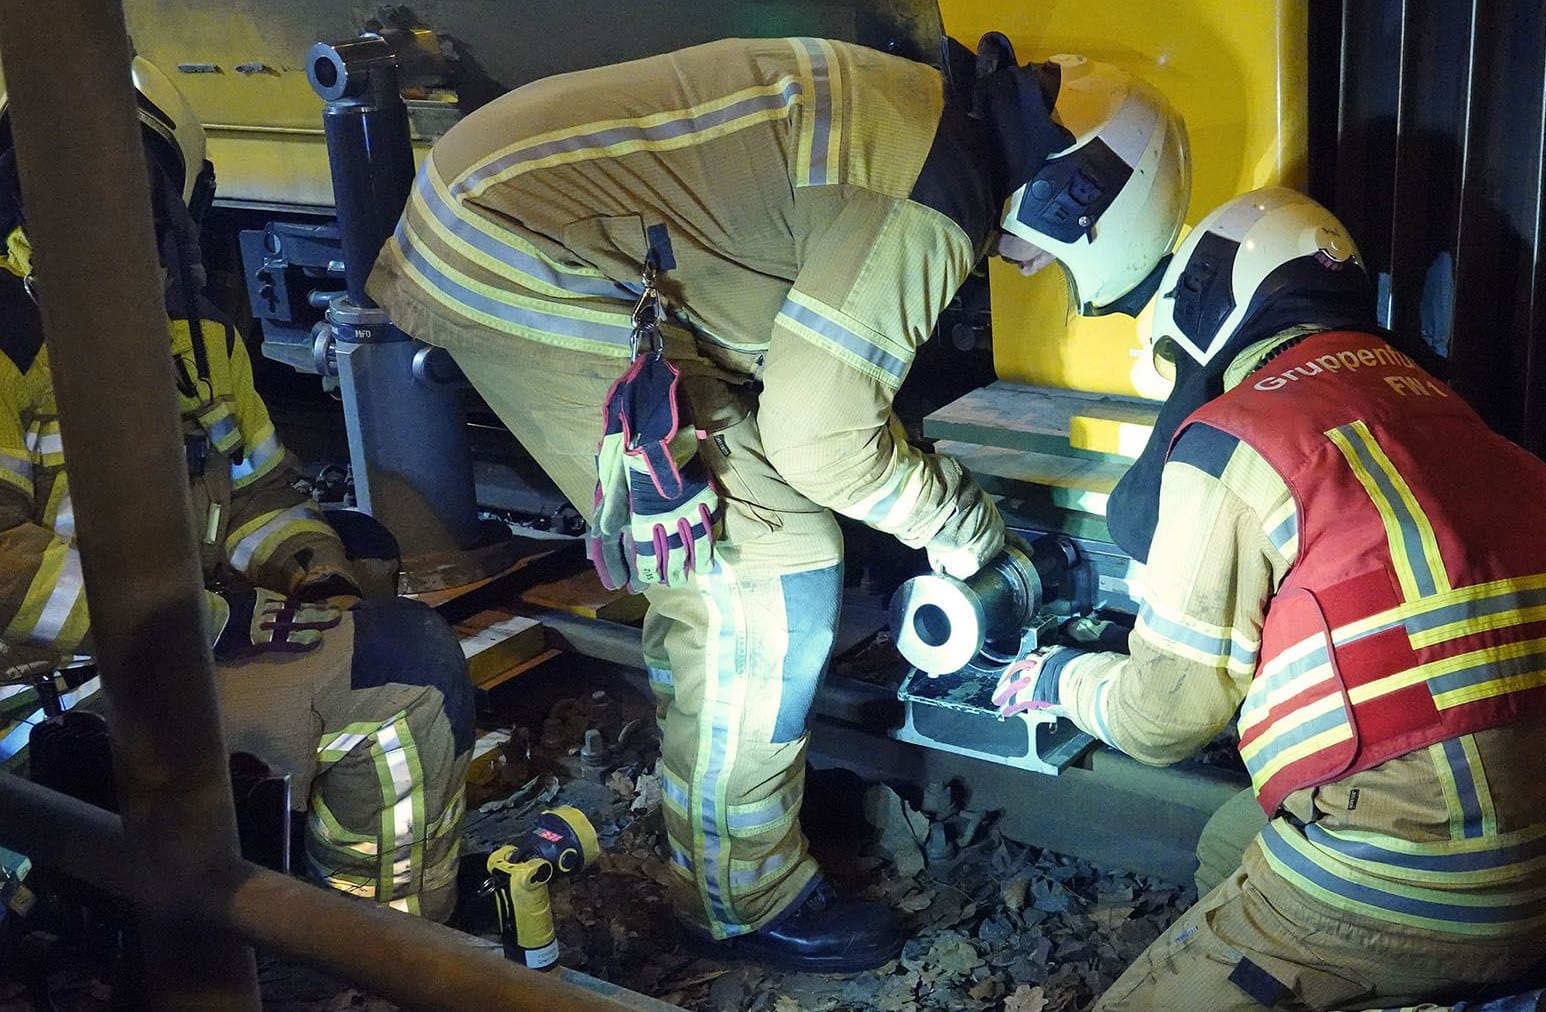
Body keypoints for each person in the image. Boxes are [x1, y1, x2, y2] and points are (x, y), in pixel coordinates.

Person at [364, 33, 1189, 969]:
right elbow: (822, 438)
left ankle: (718, 783)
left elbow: (803, 365)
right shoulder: (929, 198)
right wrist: (964, 530)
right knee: (765, 565)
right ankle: (739, 898)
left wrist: (897, 494)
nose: (1033, 271)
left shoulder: (924, 124)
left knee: (724, 557)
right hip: (514, 252)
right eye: (1060, 262)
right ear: (1077, 205)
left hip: (500, 215)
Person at [990, 188, 1546, 1010]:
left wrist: (1058, 679)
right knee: (1231, 844)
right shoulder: (1460, 418)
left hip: (1413, 885)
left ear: (1202, 307)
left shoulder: (1244, 436)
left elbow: (1162, 717)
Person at [0, 57, 472, 921]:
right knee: (406, 674)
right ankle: (387, 947)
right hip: (38, 700)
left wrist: (308, 571)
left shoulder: (195, 340)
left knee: (369, 575)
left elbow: (258, 497)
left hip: (153, 654)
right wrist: (205, 624)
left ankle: (345, 930)